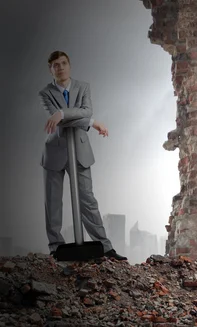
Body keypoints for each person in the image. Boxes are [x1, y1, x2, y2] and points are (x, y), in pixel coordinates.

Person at [39, 50, 127, 261]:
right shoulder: (45, 93)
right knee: (53, 203)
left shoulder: (83, 87)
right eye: (55, 65)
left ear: (69, 65)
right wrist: (91, 122)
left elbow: (87, 110)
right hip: (54, 152)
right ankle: (56, 248)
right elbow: (73, 118)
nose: (60, 67)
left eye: (63, 63)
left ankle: (105, 247)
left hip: (80, 150)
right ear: (50, 69)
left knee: (88, 200)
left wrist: (62, 113)